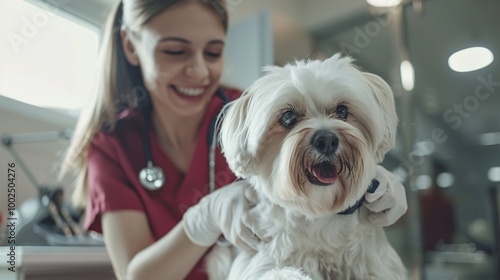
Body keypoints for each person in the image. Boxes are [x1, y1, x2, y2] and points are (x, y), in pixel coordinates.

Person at [60, 1, 408, 280]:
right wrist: (204, 217)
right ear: (130, 46)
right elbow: (134, 275)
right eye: (175, 52)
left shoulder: (254, 109)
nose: (198, 71)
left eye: (212, 53)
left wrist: (362, 176)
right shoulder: (114, 145)